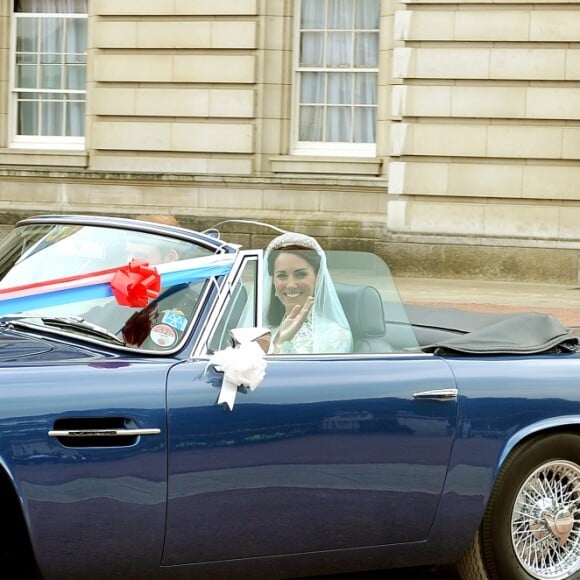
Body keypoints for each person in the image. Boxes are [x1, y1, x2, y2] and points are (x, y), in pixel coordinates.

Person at [263, 231, 353, 354]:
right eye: (282, 276)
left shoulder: (335, 335)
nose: (291, 285)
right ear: (273, 280)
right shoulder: (258, 331)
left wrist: (283, 344)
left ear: (318, 278)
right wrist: (279, 342)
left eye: (300, 274)